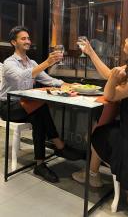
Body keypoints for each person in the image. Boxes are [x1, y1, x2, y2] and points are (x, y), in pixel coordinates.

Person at [0, 26, 80, 183]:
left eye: (28, 38)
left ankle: (40, 164)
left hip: (27, 105)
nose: (28, 41)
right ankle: (59, 146)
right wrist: (47, 62)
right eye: (23, 38)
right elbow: (20, 78)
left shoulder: (32, 63)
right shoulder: (9, 63)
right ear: (13, 42)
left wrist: (68, 84)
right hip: (7, 106)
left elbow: (48, 80)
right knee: (40, 107)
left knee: (38, 114)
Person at [72, 29, 128, 191]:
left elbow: (110, 94)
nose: (125, 40)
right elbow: (109, 74)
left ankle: (96, 175)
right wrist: (91, 52)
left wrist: (114, 79)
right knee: (99, 127)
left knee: (96, 133)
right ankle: (94, 174)